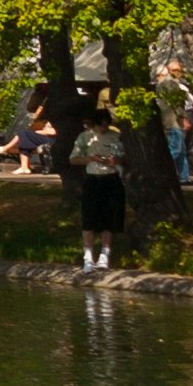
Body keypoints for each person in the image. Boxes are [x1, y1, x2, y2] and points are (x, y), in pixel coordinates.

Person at [68, 112, 130, 272]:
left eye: (105, 125)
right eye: (100, 125)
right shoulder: (84, 137)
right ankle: (88, 258)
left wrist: (116, 161)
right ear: (93, 124)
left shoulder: (116, 136)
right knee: (89, 218)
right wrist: (90, 158)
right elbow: (73, 159)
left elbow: (125, 157)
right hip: (93, 178)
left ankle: (104, 256)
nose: (103, 128)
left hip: (111, 178)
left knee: (110, 218)